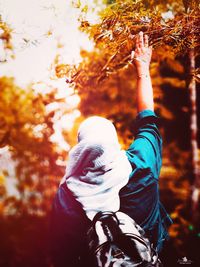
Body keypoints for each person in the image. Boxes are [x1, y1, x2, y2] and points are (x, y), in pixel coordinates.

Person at [49, 31, 172, 267]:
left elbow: (60, 253)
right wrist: (142, 69)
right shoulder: (141, 165)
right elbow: (147, 120)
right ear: (113, 143)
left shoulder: (66, 196)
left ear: (80, 150)